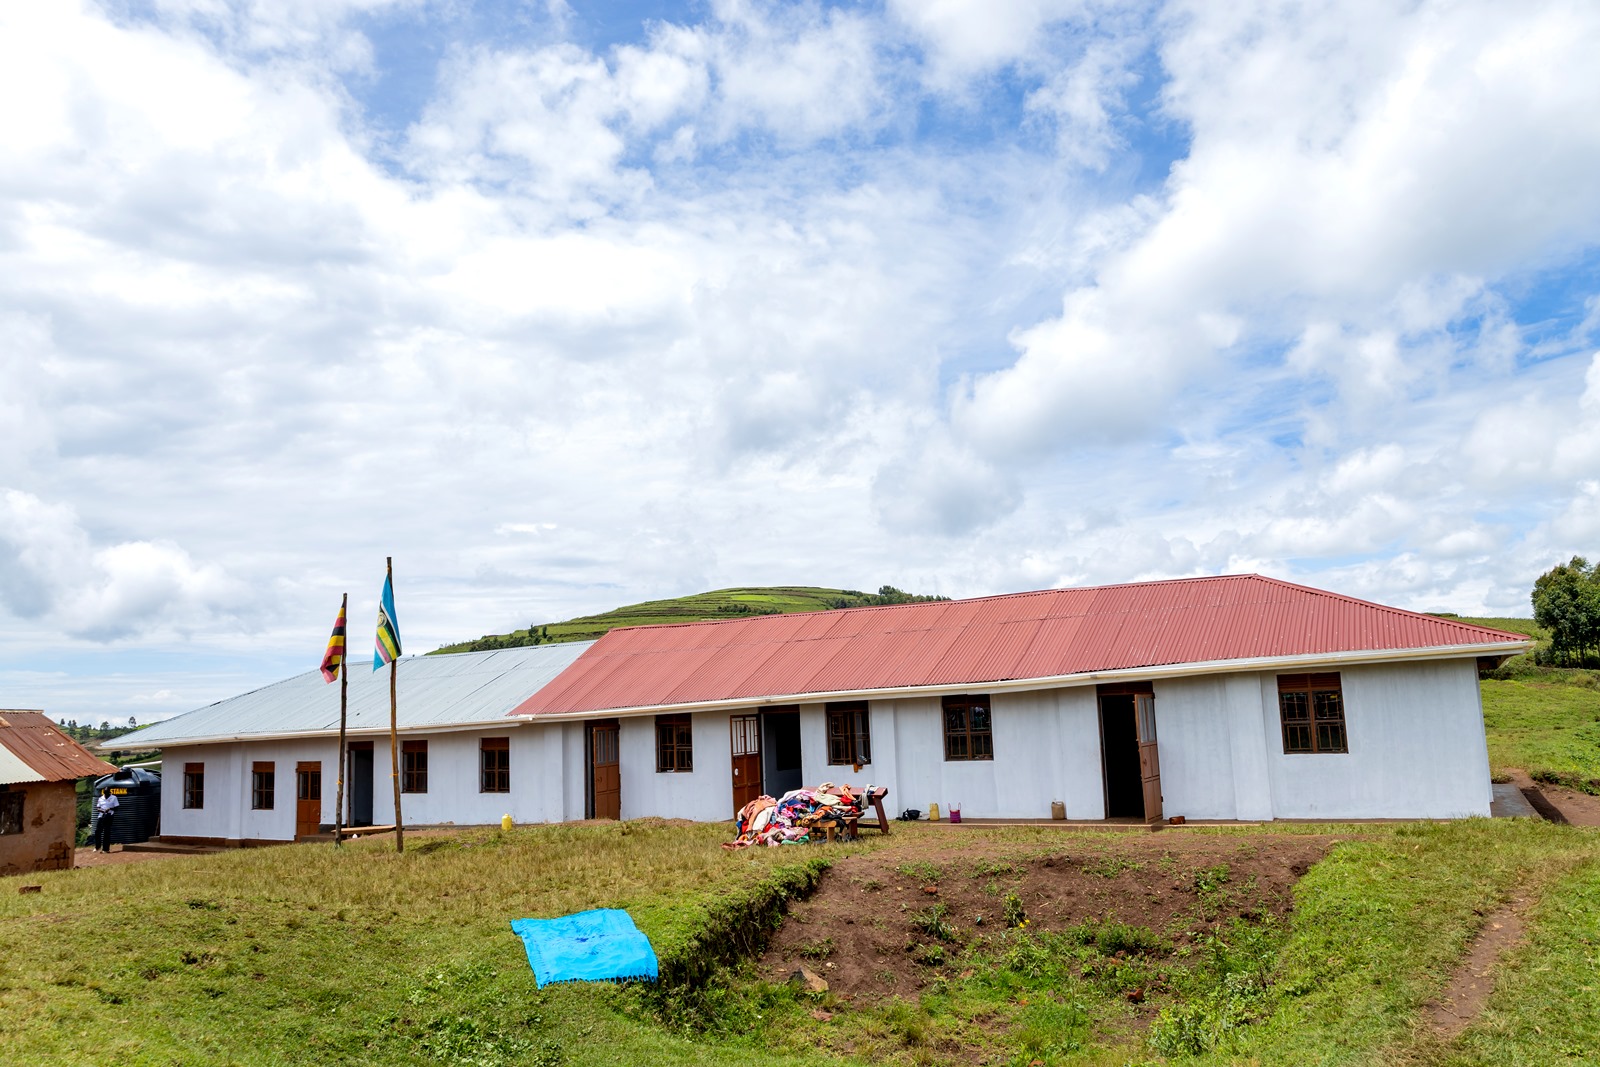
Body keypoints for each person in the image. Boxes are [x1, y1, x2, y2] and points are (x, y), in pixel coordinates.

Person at [93, 786, 119, 853]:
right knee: (97, 831)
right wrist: (101, 810)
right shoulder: (101, 798)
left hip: (109, 816)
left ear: (109, 792)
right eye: (105, 792)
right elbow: (98, 807)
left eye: (107, 792)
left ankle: (106, 849)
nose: (106, 794)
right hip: (101, 816)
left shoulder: (114, 798)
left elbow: (116, 807)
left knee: (106, 832)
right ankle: (97, 846)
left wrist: (110, 809)